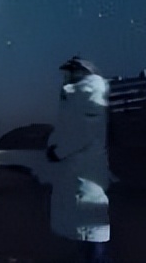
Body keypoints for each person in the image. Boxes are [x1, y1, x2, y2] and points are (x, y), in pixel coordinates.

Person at [46, 55, 112, 263]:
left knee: (90, 225)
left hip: (84, 171)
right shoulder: (83, 96)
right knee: (85, 224)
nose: (66, 77)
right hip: (81, 170)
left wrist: (58, 151)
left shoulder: (87, 95)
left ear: (80, 72)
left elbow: (84, 132)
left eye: (70, 72)